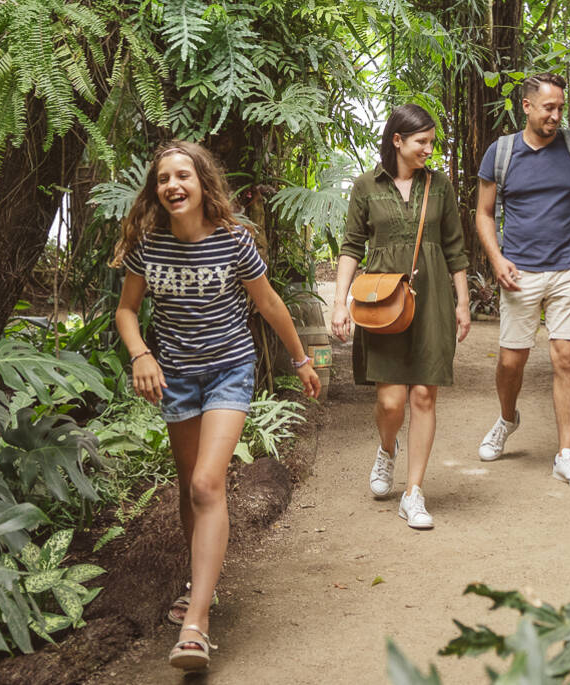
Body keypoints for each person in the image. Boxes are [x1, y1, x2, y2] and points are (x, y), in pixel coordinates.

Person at [111, 140, 322, 672]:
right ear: (156, 191)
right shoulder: (148, 245)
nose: (173, 185)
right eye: (164, 179)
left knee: (208, 483)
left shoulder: (233, 240)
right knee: (190, 486)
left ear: (204, 183)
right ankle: (197, 583)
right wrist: (141, 353)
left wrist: (301, 361)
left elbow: (268, 302)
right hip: (176, 379)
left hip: (230, 370)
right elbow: (127, 311)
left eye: (184, 175)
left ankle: (196, 623)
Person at [330, 104, 471, 530]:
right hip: (385, 300)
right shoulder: (365, 186)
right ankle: (387, 448)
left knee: (424, 396)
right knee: (390, 401)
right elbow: (352, 246)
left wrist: (463, 302)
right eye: (421, 142)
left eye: (431, 141)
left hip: (432, 300)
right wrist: (339, 303)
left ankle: (414, 492)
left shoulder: (440, 186)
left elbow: (454, 248)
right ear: (397, 141)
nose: (429, 149)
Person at [472, 73, 570, 492]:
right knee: (512, 361)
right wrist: (497, 259)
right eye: (549, 107)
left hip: (568, 267)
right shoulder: (502, 152)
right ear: (526, 107)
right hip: (520, 271)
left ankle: (566, 455)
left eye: (561, 107)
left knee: (566, 358)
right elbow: (484, 213)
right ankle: (508, 418)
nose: (556, 115)